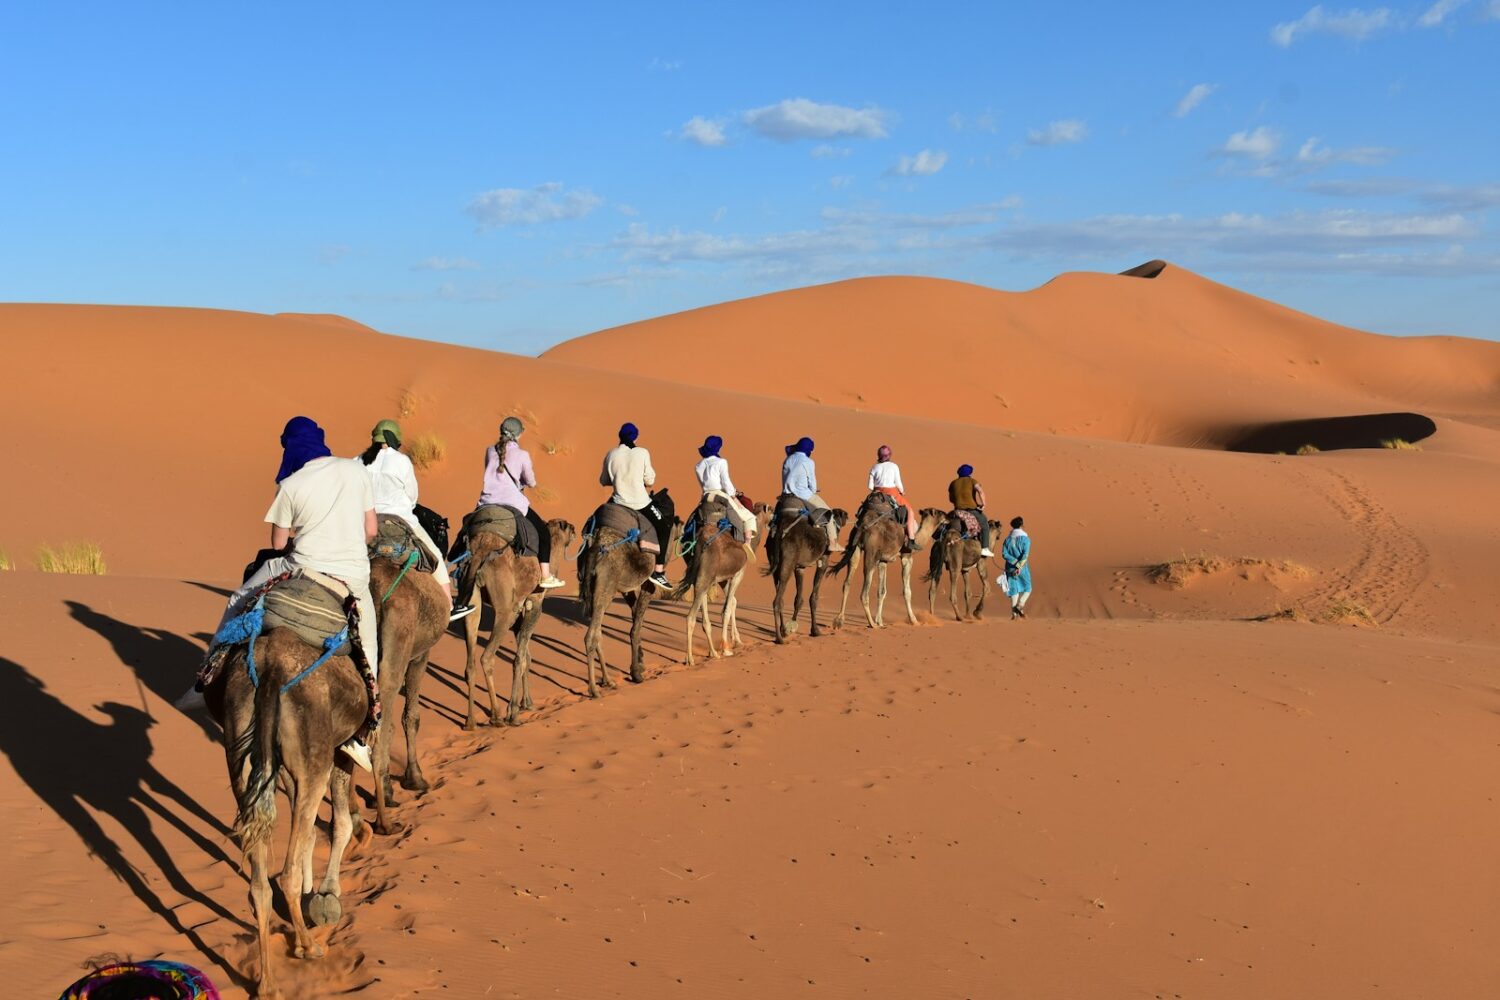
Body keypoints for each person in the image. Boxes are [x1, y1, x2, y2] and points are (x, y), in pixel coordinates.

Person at [217, 416, 378, 769]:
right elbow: (371, 529)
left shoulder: (291, 484)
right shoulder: (356, 472)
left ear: (289, 446)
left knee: (238, 599)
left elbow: (277, 544)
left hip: (300, 566)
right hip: (351, 575)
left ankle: (207, 670)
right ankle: (368, 722)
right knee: (367, 639)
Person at [360, 418, 474, 619]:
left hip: (364, 523)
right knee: (436, 556)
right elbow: (412, 496)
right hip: (400, 520)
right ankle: (449, 605)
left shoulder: (359, 460)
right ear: (394, 439)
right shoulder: (401, 460)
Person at [478, 416, 565, 590]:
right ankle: (546, 576)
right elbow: (531, 482)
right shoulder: (522, 455)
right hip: (513, 503)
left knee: (467, 529)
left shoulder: (489, 451)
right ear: (519, 434)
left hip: (487, 503)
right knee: (544, 534)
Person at [601, 422, 674, 590]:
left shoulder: (611, 454)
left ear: (619, 436)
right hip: (641, 503)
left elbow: (604, 480)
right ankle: (659, 571)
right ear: (636, 437)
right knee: (664, 527)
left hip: (617, 502)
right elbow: (650, 480)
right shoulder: (642, 452)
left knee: (593, 524)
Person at [780, 436, 843, 551]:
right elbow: (812, 483)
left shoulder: (788, 459)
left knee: (776, 516)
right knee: (828, 513)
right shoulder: (808, 462)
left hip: (786, 496)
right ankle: (833, 543)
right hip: (804, 495)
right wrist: (813, 490)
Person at [694, 435, 757, 548]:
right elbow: (726, 483)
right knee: (748, 516)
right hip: (720, 496)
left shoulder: (698, 465)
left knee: (691, 523)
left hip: (705, 497)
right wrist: (734, 498)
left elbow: (702, 486)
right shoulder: (721, 462)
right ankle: (747, 543)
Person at [867, 444, 920, 548]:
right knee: (910, 511)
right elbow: (898, 483)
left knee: (863, 510)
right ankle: (911, 540)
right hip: (892, 493)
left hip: (876, 494)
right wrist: (902, 491)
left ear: (878, 455)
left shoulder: (874, 467)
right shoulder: (894, 466)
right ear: (889, 455)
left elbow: (870, 486)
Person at [947, 463, 994, 558]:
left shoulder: (953, 483)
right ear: (970, 473)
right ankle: (985, 548)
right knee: (984, 524)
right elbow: (980, 491)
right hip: (971, 510)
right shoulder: (972, 481)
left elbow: (951, 499)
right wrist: (983, 504)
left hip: (957, 511)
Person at [1000, 516, 1032, 619]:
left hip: (1010, 568)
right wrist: (1019, 566)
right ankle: (1020, 605)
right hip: (1022, 568)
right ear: (1022, 525)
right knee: (1028, 588)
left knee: (1014, 590)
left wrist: (1013, 563)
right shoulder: (1026, 539)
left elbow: (1004, 554)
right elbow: (1025, 555)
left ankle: (1014, 614)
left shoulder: (1007, 540)